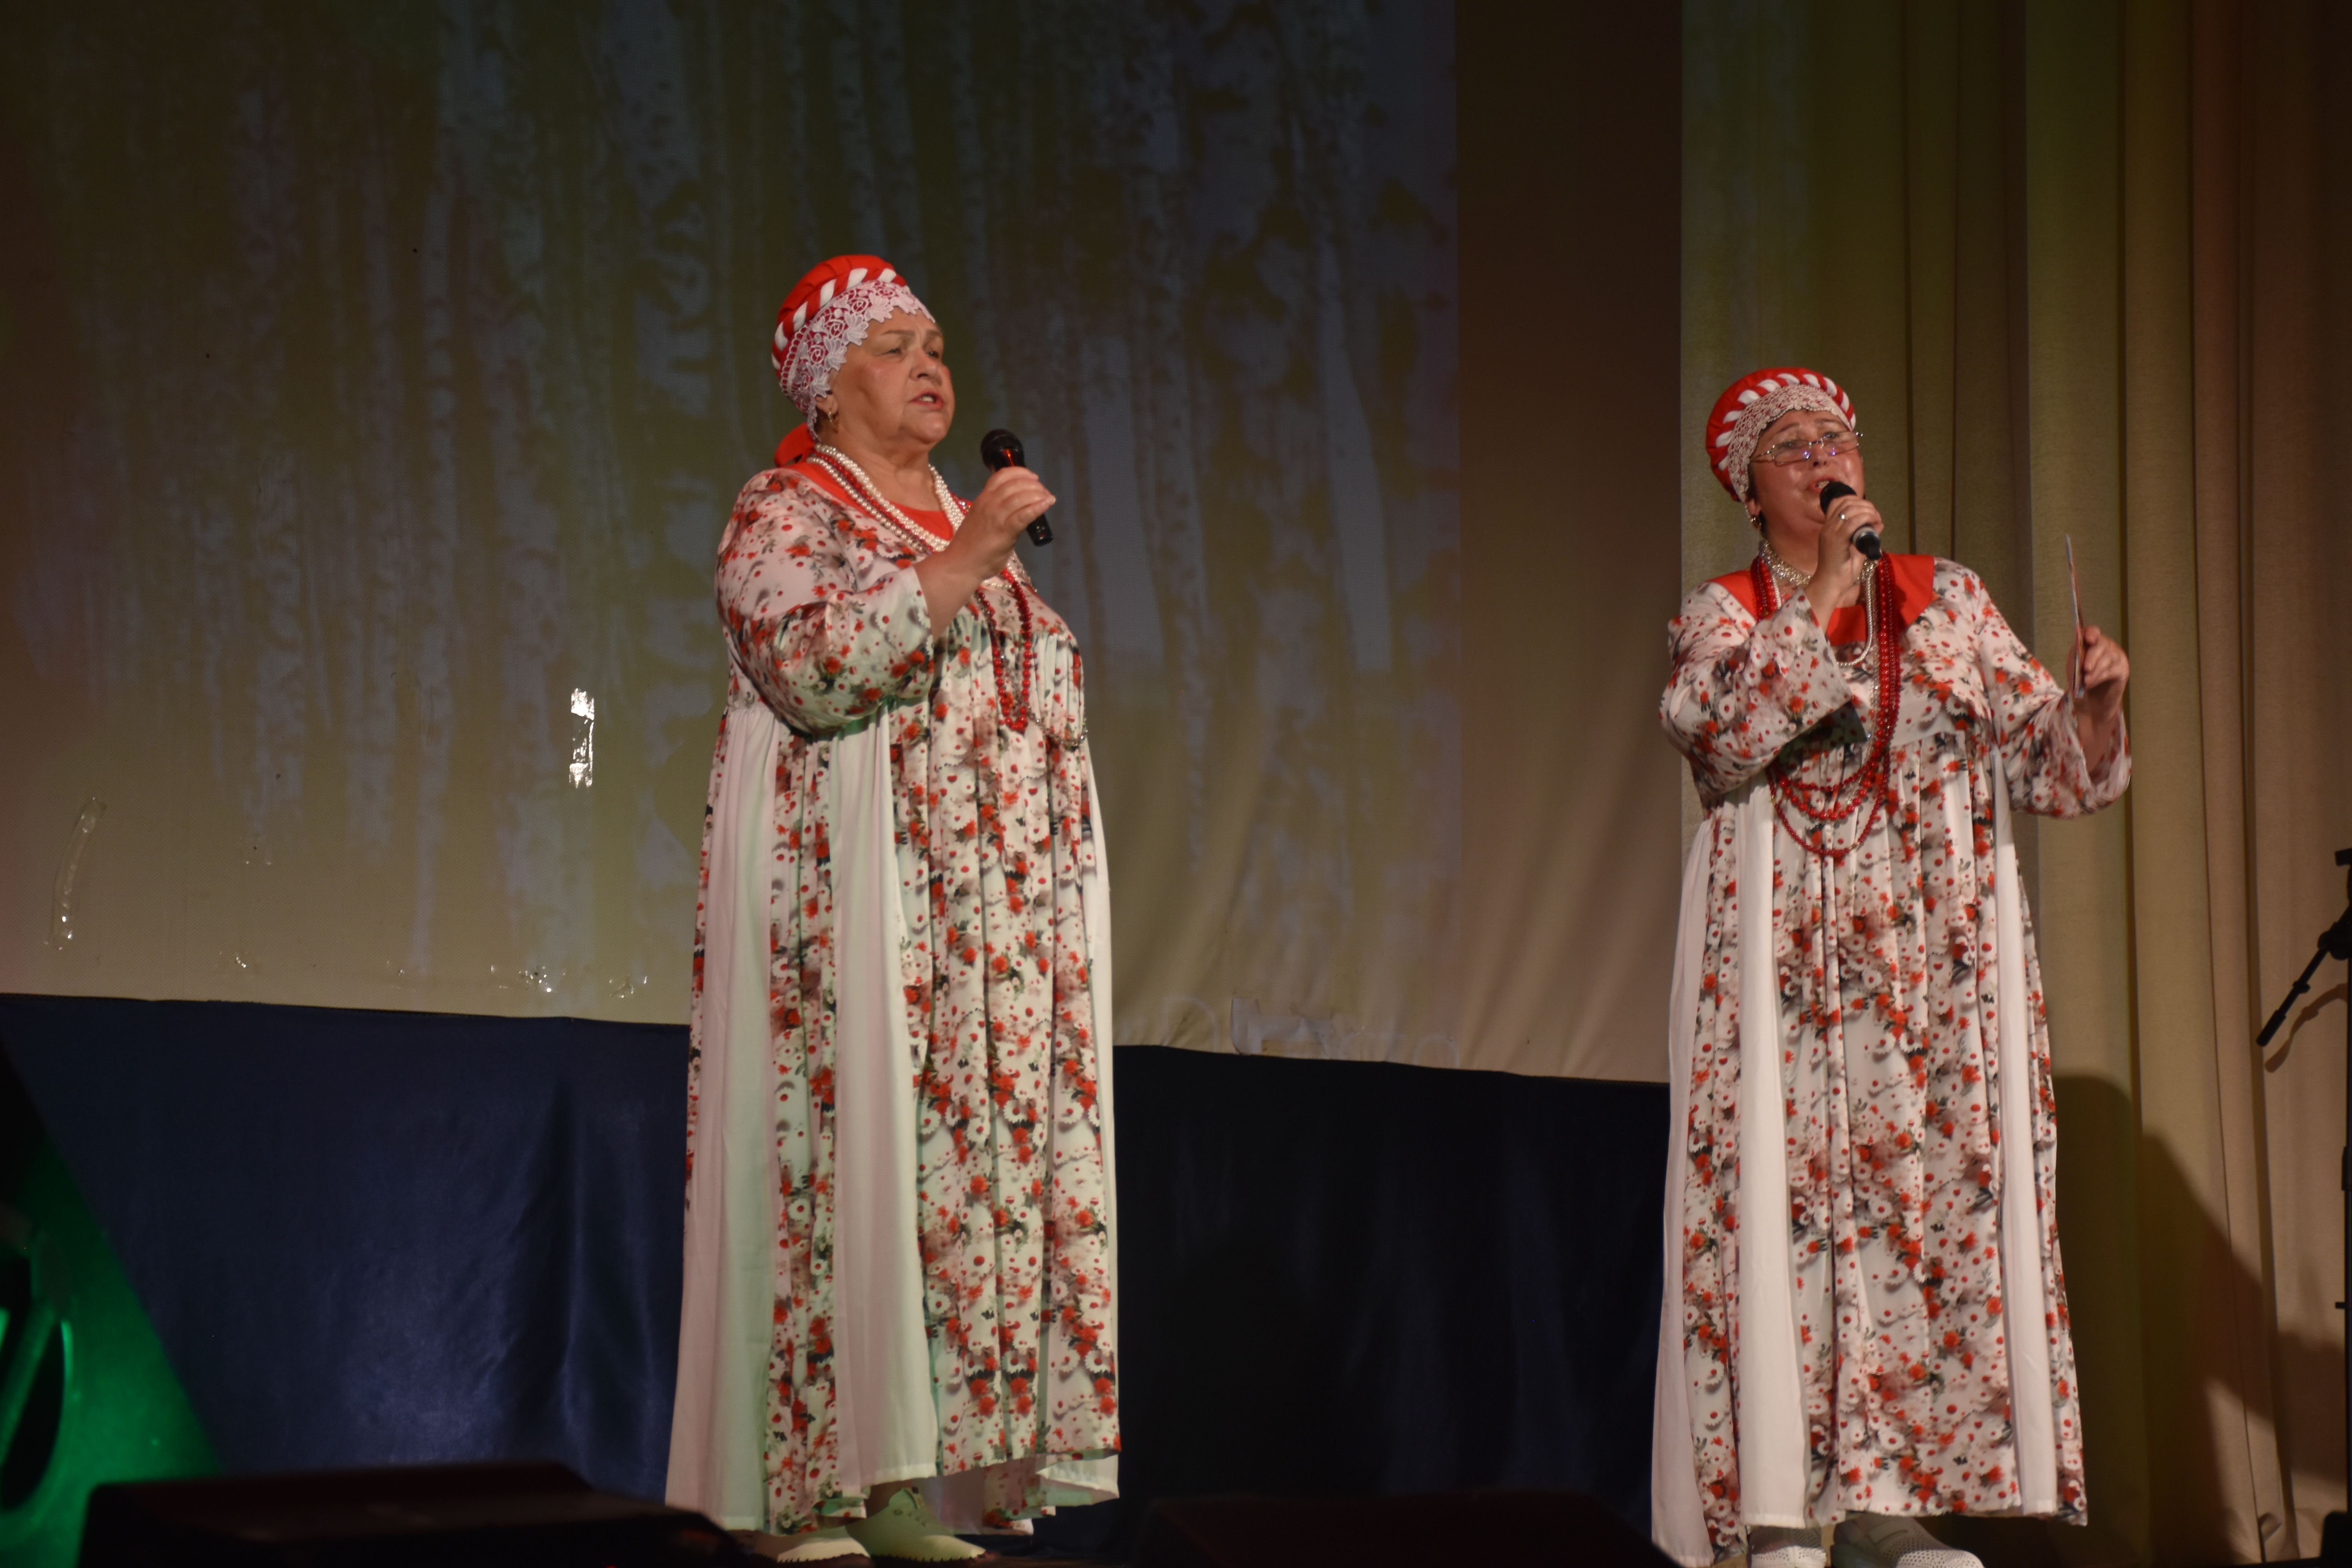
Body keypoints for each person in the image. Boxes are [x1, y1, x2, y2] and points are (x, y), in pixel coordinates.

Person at [666, 255, 1119, 1563]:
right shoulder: (787, 508)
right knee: (839, 1156)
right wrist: (965, 560)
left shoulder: (970, 521)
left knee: (953, 1186)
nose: (930, 365)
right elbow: (809, 664)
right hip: (849, 903)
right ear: (825, 386)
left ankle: (902, 1483)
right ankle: (804, 1489)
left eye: (936, 345)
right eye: (893, 347)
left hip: (985, 927)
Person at [1650, 369, 2131, 1568]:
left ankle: (1888, 1503)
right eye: (1794, 448)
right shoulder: (1725, 613)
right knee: (1782, 1220)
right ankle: (1780, 1509)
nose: (1827, 459)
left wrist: (2094, 712)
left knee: (1922, 1223)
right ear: (1751, 494)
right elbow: (1718, 736)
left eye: (1839, 440)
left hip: (1931, 981)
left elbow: (2049, 769)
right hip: (1784, 979)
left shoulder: (1948, 599)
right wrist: (1823, 591)